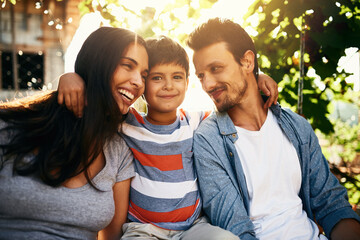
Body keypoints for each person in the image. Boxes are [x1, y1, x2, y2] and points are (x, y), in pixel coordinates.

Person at [57, 35, 279, 239]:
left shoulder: (198, 121)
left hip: (192, 227)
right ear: (142, 85)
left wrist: (256, 80)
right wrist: (71, 78)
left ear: (187, 82)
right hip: (143, 229)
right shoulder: (127, 123)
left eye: (177, 77)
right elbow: (99, 103)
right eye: (157, 78)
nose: (169, 86)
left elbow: (236, 103)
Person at [187, 18, 360, 240]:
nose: (207, 85)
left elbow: (331, 205)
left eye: (216, 68)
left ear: (247, 62)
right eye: (201, 75)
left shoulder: (297, 127)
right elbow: (235, 228)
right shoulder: (209, 140)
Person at [0, 26, 149, 240]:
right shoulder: (9, 125)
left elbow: (112, 235)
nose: (138, 82)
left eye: (144, 75)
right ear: (99, 62)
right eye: (127, 65)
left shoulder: (120, 150)